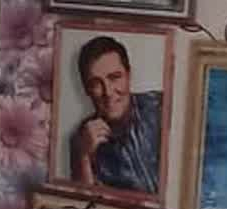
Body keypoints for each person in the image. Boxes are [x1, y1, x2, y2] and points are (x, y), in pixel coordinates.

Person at [68, 36, 161, 195]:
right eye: (96, 83)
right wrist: (83, 157)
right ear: (86, 89)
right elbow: (85, 204)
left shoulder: (160, 106)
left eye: (114, 77)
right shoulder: (82, 140)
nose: (108, 92)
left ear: (129, 75)